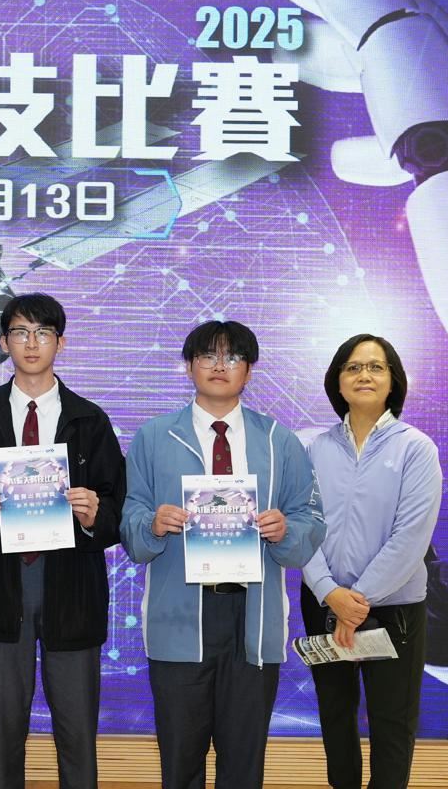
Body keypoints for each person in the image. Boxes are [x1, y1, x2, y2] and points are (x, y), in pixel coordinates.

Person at [120, 319, 325, 789]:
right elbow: (130, 522)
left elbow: (311, 520)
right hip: (179, 616)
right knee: (180, 762)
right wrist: (152, 524)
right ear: (188, 366)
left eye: (233, 357)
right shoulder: (154, 437)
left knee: (243, 764)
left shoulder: (279, 441)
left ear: (249, 371)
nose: (220, 365)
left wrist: (285, 529)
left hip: (252, 617)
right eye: (208, 355)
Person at [0, 293, 125, 789]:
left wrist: (96, 514)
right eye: (20, 332)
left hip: (71, 586)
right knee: (3, 730)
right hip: (2, 585)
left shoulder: (89, 419)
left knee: (77, 730)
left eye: (43, 333)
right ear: (3, 342)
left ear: (61, 343)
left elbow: (118, 505)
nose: (31, 343)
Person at [301, 335, 442, 789]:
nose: (364, 375)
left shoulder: (416, 448)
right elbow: (303, 525)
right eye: (353, 367)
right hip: (324, 602)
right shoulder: (313, 448)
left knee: (392, 722)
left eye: (376, 367)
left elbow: (411, 536)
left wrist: (357, 601)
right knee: (335, 716)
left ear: (393, 381)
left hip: (394, 607)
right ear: (337, 381)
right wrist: (330, 592)